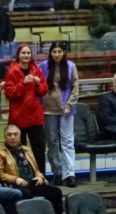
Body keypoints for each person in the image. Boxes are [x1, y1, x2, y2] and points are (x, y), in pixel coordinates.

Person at [0, 125, 64, 214]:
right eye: (9, 135)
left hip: (32, 182)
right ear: (5, 137)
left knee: (56, 192)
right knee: (26, 193)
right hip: (15, 184)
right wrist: (15, 179)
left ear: (19, 136)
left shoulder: (27, 149)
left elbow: (36, 169)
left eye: (15, 134)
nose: (12, 137)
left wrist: (39, 176)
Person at [37, 42, 79, 187]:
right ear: (50, 53)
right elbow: (37, 85)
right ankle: (57, 172)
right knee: (52, 142)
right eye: (54, 51)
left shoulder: (71, 66)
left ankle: (70, 174)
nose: (56, 54)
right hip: (48, 110)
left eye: (59, 51)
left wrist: (69, 105)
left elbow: (75, 88)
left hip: (66, 110)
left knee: (68, 142)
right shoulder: (43, 66)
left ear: (64, 52)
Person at [4, 44, 47, 175]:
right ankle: (23, 177)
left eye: (28, 53)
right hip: (18, 117)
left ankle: (41, 176)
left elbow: (43, 91)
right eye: (23, 53)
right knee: (19, 150)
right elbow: (9, 93)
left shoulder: (36, 69)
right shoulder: (12, 71)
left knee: (39, 149)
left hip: (35, 116)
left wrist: (38, 84)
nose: (26, 55)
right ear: (18, 55)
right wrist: (22, 83)